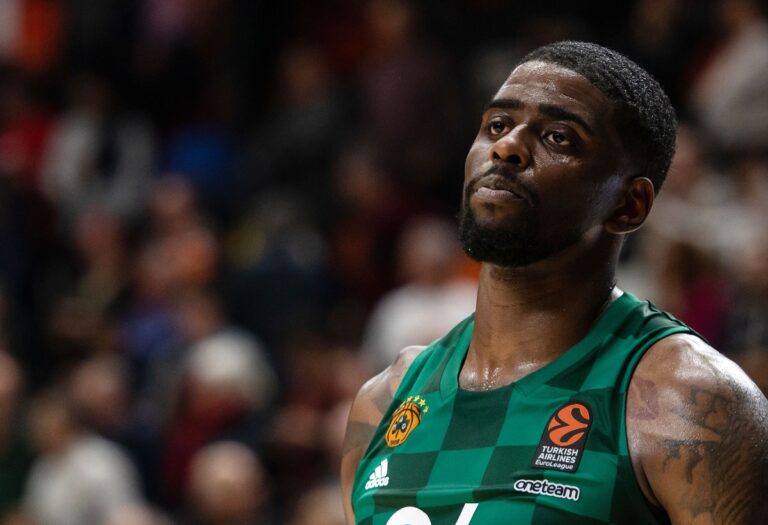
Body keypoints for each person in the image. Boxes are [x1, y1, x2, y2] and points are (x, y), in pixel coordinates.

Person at [341, 41, 768, 525]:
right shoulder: (384, 400)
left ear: (629, 205)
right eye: (497, 125)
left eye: (559, 137)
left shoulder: (693, 405)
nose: (506, 147)